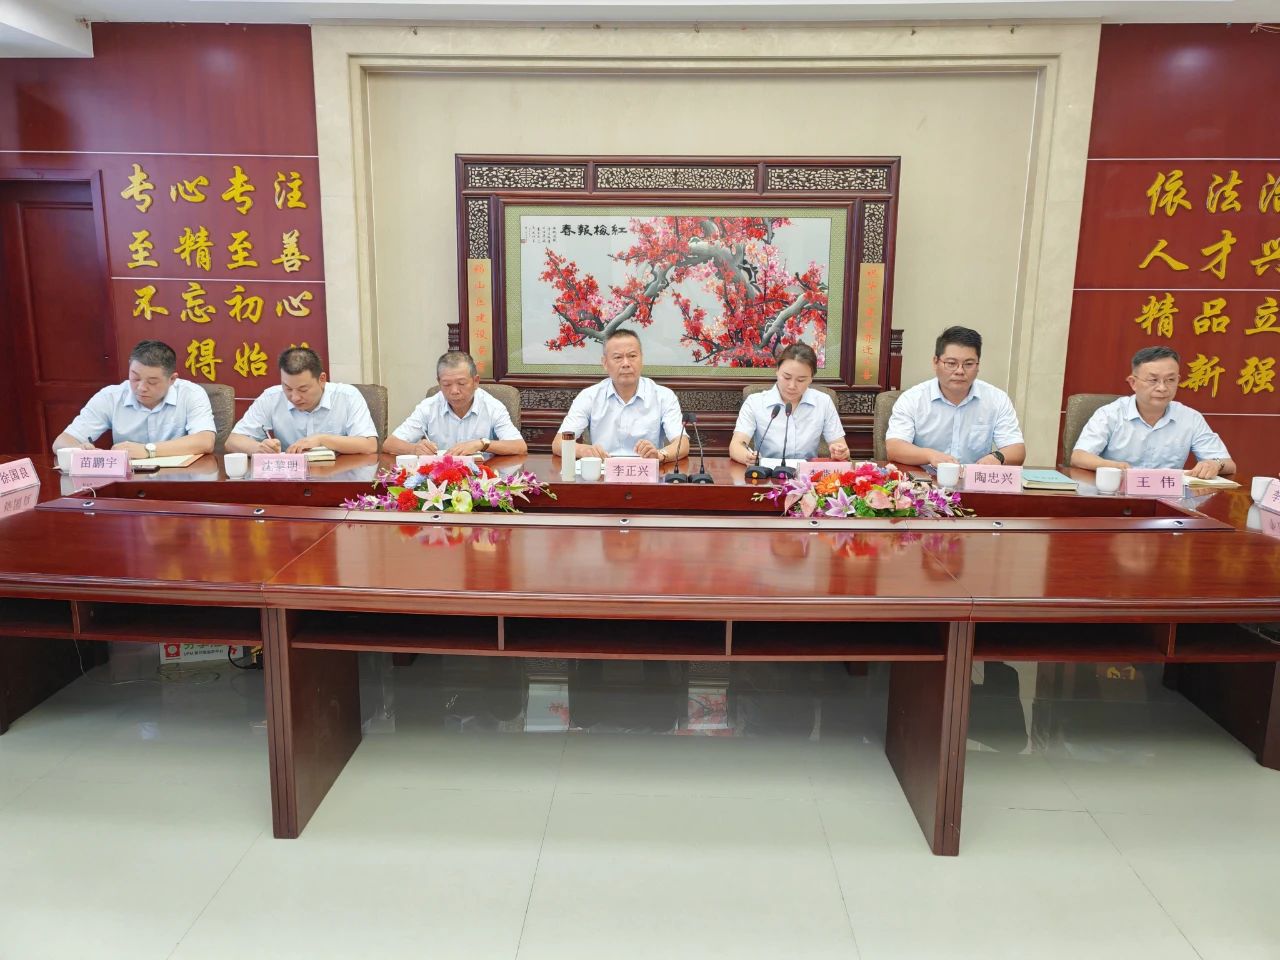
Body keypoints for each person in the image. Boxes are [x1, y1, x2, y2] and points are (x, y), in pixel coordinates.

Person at [1070, 345, 1235, 479]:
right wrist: (1114, 467)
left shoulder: (1190, 418)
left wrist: (1215, 464)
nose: (1162, 388)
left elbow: (1229, 465)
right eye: (1153, 380)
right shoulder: (1110, 414)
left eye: (1170, 380)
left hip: (1168, 500)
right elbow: (1079, 456)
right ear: (1133, 383)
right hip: (1117, 494)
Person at [885, 325, 1025, 467]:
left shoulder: (997, 399)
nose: (960, 371)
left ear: (978, 366)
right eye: (951, 363)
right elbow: (894, 447)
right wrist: (930, 455)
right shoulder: (912, 399)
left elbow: (1017, 450)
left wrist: (997, 457)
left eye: (968, 364)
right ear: (935, 362)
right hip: (924, 478)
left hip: (973, 478)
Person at [51, 340, 215, 459]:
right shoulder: (110, 397)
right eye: (135, 378)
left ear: (172, 379)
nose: (141, 387)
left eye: (152, 382)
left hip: (180, 481)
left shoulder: (191, 394)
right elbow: (61, 442)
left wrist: (148, 450)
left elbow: (205, 441)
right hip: (127, 482)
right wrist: (81, 451)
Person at [552, 328, 689, 463]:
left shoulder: (663, 396)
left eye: (632, 356)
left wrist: (660, 455)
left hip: (646, 471)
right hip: (603, 473)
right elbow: (558, 443)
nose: (626, 364)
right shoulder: (589, 396)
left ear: (642, 359)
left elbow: (682, 444)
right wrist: (584, 450)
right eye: (618, 357)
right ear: (605, 363)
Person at [225, 347, 378, 455]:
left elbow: (369, 445)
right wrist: (258, 448)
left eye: (303, 389)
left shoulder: (348, 396)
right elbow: (232, 441)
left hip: (337, 477)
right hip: (288, 480)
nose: (295, 397)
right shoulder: (271, 397)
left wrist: (322, 439)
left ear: (322, 379)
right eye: (288, 388)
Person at [384, 351, 527, 458]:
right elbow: (390, 444)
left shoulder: (493, 407)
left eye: (461, 383)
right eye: (446, 384)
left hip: (482, 478)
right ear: (439, 382)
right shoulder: (428, 407)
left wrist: (481, 444)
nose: (454, 391)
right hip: (439, 479)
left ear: (476, 381)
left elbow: (519, 446)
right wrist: (414, 449)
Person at [729, 342, 849, 465]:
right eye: (786, 377)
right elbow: (736, 446)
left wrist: (840, 452)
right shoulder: (755, 402)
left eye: (801, 380)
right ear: (777, 371)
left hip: (806, 474)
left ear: (811, 378)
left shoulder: (823, 402)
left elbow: (840, 446)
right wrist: (747, 457)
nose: (792, 386)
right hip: (766, 473)